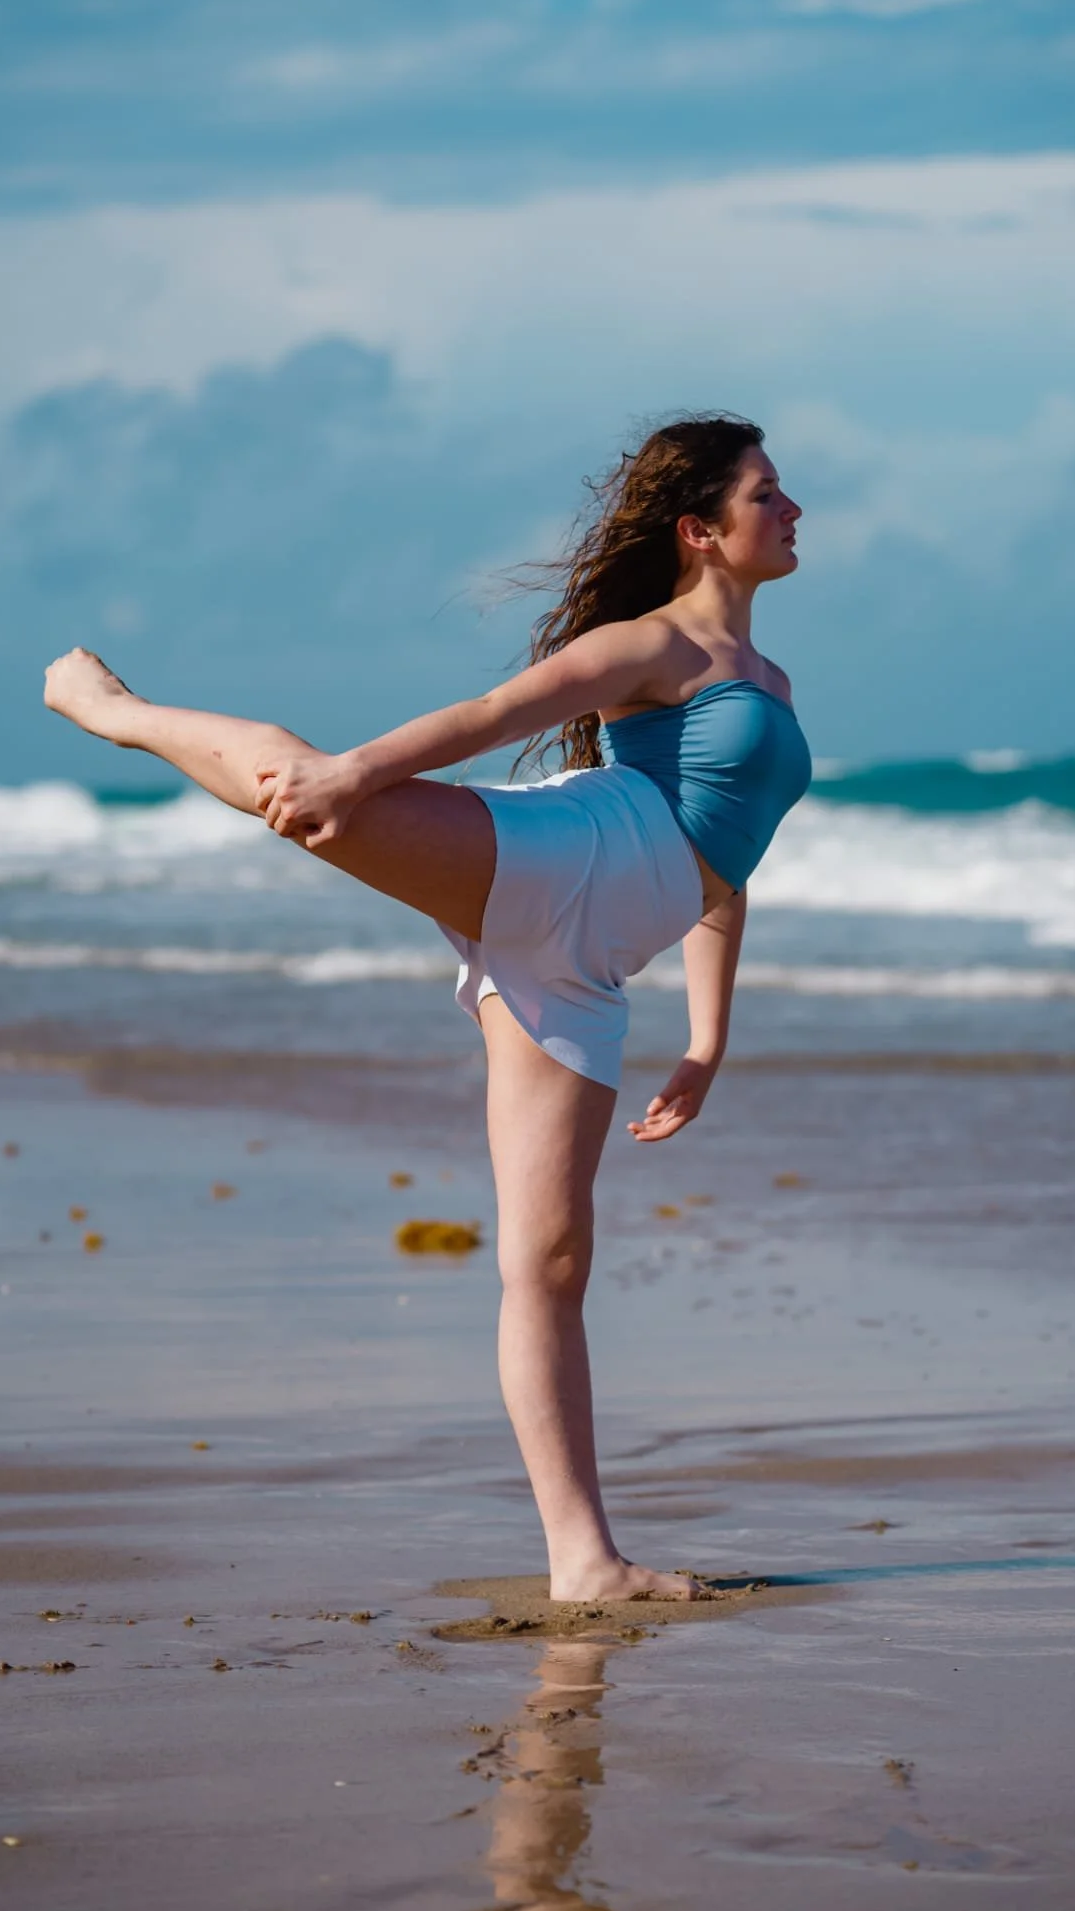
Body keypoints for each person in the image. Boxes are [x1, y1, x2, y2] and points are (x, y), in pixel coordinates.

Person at [43, 414, 810, 1602]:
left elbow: (727, 867)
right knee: (317, 798)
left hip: (589, 964)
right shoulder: (656, 644)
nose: (794, 509)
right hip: (573, 861)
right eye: (770, 493)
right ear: (701, 530)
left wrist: (708, 1038)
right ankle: (114, 712)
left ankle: (583, 1563)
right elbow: (509, 707)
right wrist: (359, 767)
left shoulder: (771, 681)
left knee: (549, 1258)